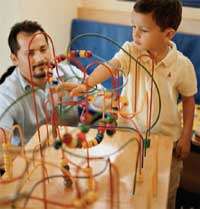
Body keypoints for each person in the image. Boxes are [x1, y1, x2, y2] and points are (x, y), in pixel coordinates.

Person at [65, 0, 197, 208]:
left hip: (166, 144)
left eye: (143, 30)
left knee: (163, 195)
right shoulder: (131, 51)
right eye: (132, 27)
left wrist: (186, 135)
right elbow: (111, 66)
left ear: (168, 34)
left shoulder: (182, 65)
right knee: (127, 189)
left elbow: (189, 100)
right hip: (128, 137)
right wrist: (87, 83)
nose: (135, 34)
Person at [0, 20, 85, 168]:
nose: (40, 58)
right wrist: (42, 155)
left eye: (43, 49)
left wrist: (89, 91)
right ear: (14, 59)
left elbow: (108, 102)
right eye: (30, 53)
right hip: (33, 168)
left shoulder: (69, 73)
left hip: (75, 160)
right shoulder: (6, 94)